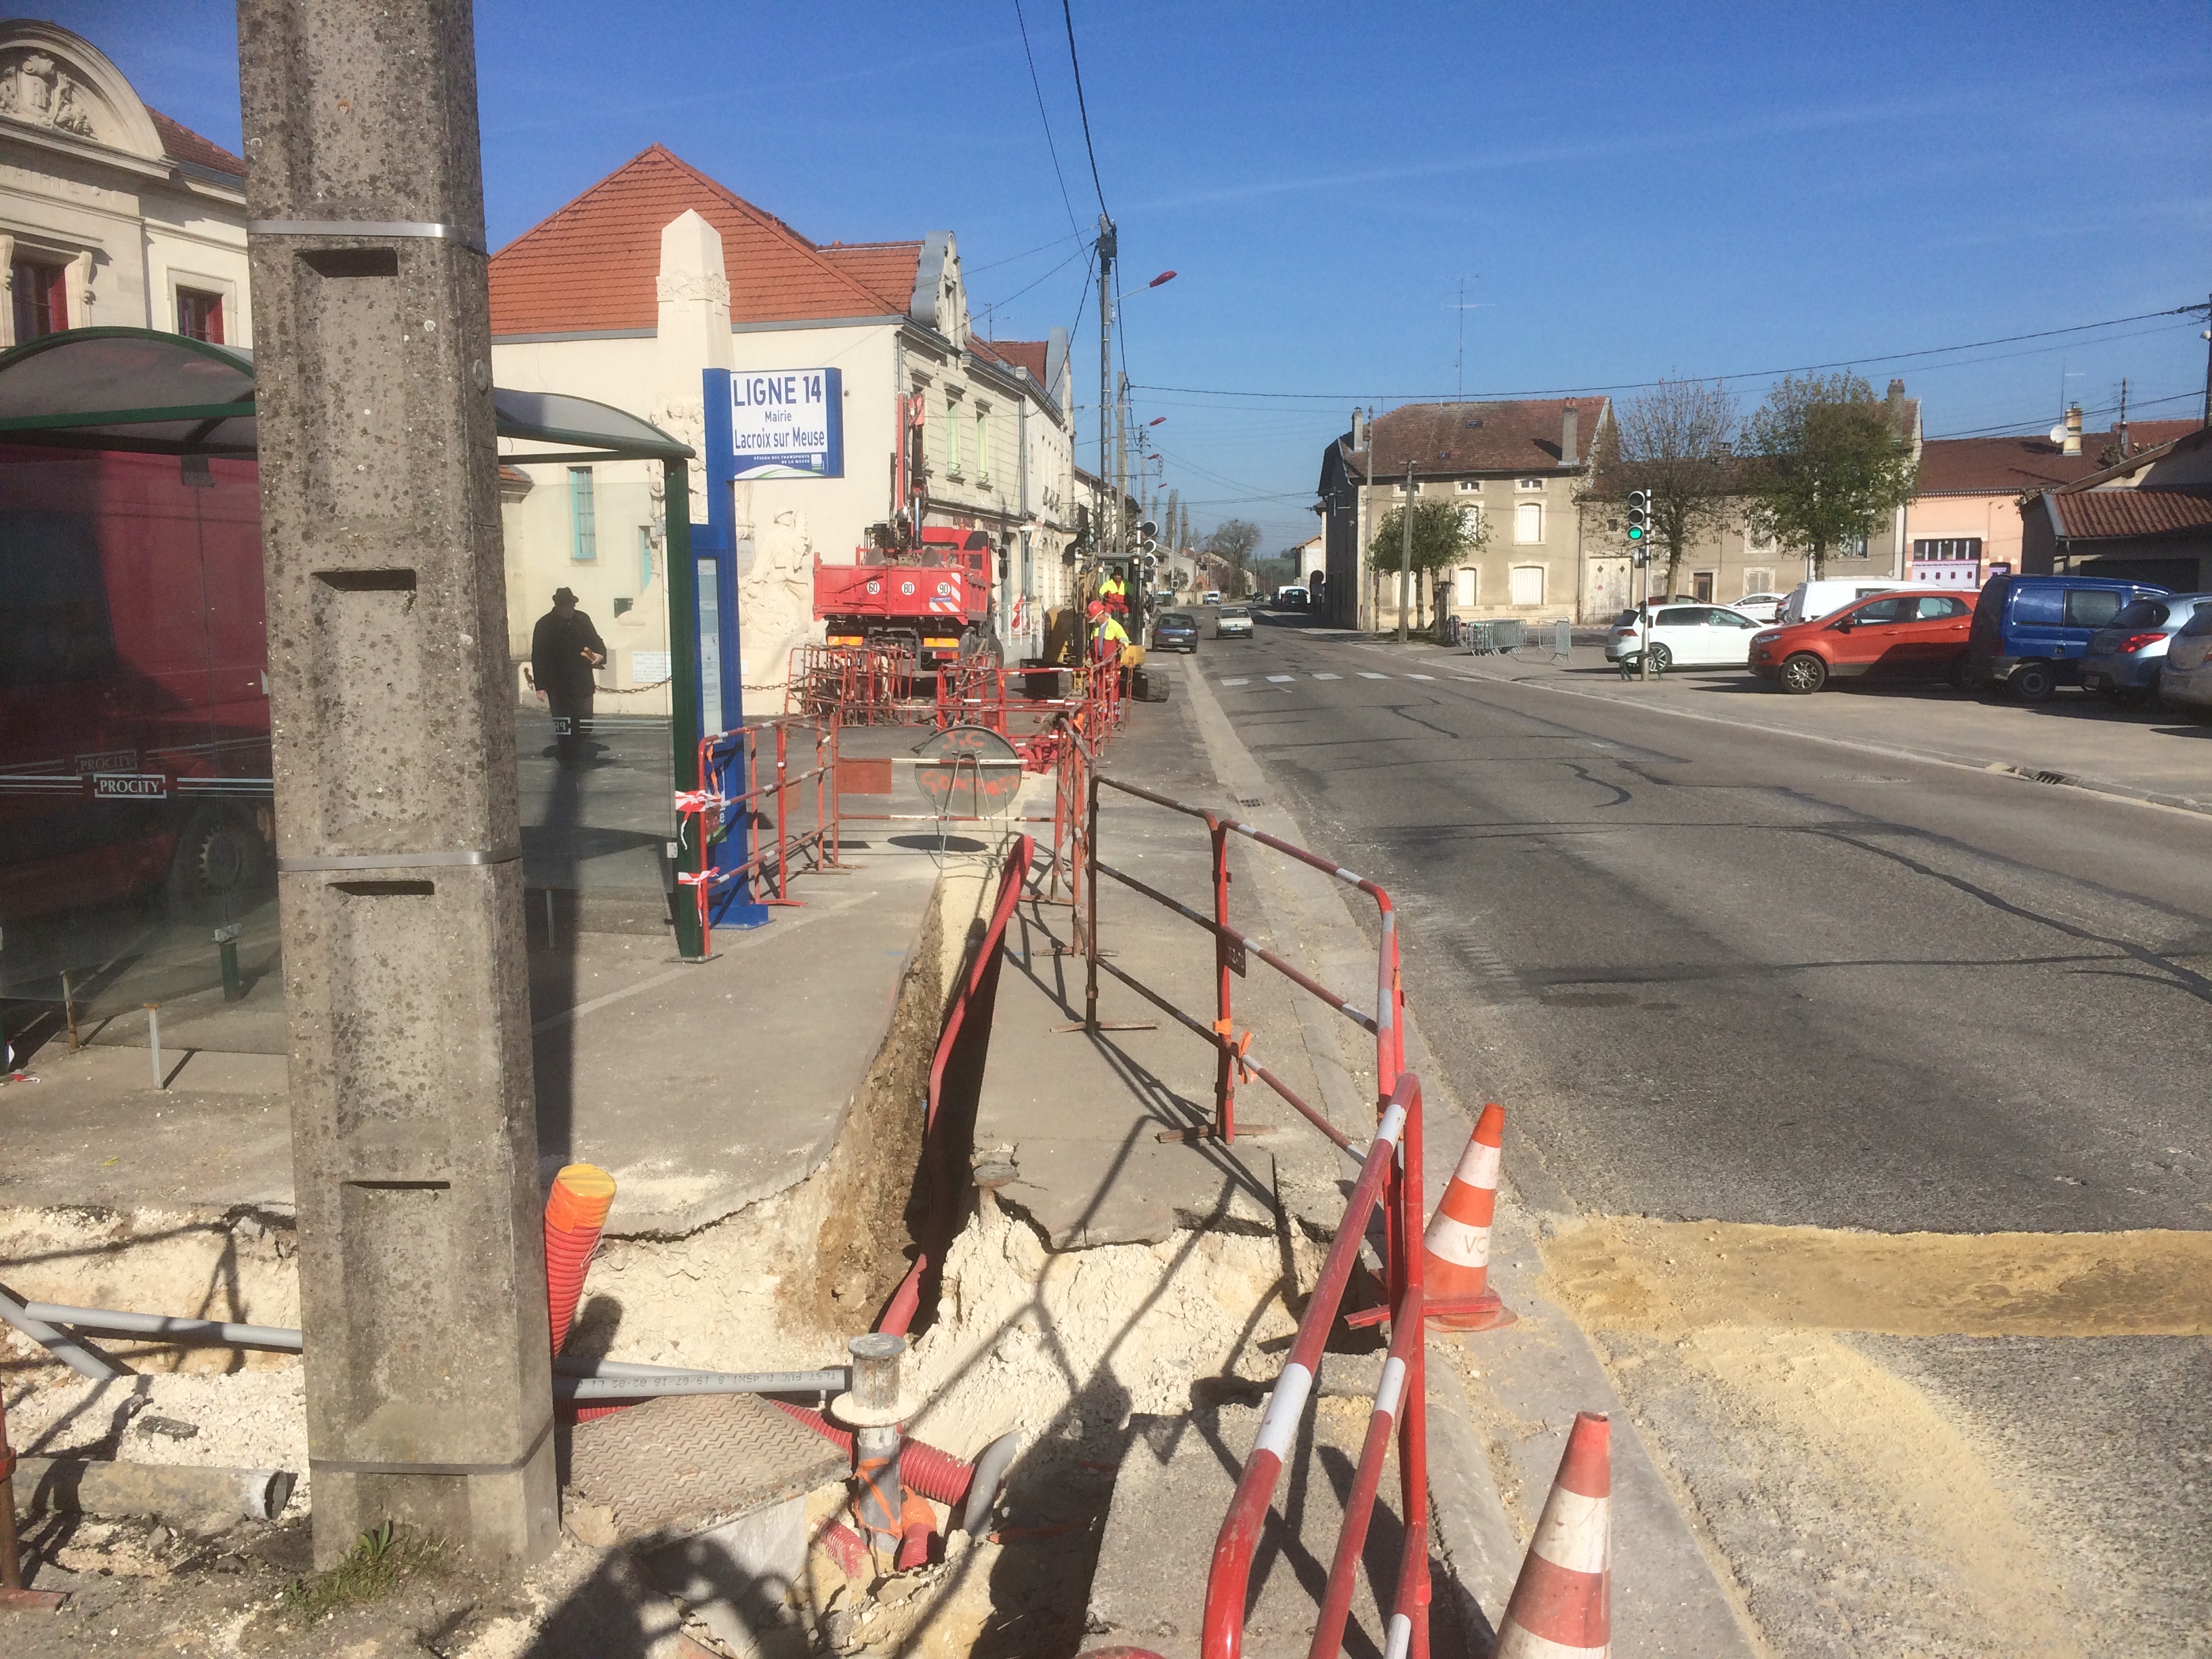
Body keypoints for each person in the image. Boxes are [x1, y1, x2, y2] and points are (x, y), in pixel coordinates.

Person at [529, 587, 607, 766]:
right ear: (557, 606)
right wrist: (540, 686)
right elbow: (538, 656)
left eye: (571, 606)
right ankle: (568, 756)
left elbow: (597, 642)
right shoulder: (544, 624)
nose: (568, 610)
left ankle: (577, 747)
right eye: (565, 606)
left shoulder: (582, 619)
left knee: (585, 720)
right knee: (563, 722)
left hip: (582, 681)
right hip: (557, 683)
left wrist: (599, 656)